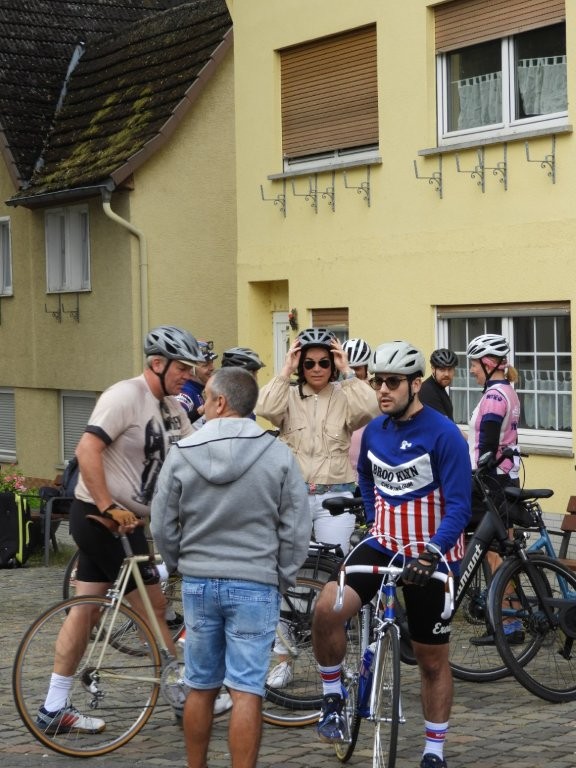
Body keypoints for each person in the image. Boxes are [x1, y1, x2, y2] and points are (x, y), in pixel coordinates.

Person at [36, 325, 204, 734]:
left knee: (86, 611)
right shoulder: (124, 396)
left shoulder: (171, 407)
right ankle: (183, 694)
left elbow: (198, 450)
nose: (189, 375)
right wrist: (109, 505)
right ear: (157, 363)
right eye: (182, 368)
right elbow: (87, 449)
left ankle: (53, 707)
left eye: (191, 369)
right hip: (104, 520)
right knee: (154, 606)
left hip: (127, 523)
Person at [312, 341, 471, 768]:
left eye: (393, 382)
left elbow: (460, 506)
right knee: (326, 608)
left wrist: (432, 552)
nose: (382, 389)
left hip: (431, 555)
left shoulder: (444, 434)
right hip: (383, 544)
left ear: (415, 384)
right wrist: (372, 517)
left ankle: (433, 752)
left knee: (431, 661)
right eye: (378, 381)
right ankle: (332, 698)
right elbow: (365, 476)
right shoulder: (374, 431)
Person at [150, 367, 311, 768]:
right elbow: (296, 527)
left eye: (206, 397)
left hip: (199, 582)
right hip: (256, 581)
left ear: (221, 402)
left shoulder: (183, 452)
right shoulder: (277, 453)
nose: (202, 405)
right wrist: (282, 575)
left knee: (200, 685)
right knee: (247, 690)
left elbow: (162, 524)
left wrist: (179, 563)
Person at [256, 327, 378, 556]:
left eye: (324, 362)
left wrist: (347, 370)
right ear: (301, 366)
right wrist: (286, 370)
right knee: (289, 561)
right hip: (293, 495)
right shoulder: (288, 395)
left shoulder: (345, 394)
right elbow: (264, 408)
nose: (317, 369)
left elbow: (372, 407)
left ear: (332, 365)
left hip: (336, 496)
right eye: (309, 363)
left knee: (333, 561)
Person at [466, 333, 522, 646]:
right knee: (499, 552)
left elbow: (486, 449)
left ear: (488, 363)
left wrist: (473, 479)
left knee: (493, 554)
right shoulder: (508, 392)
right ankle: (509, 621)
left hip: (491, 483)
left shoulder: (493, 397)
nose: (472, 369)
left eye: (475, 363)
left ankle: (507, 623)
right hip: (505, 480)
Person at [342, 337, 377, 474]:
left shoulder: (377, 388)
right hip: (345, 468)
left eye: (357, 368)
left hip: (370, 462)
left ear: (367, 367)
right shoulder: (337, 388)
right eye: (349, 368)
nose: (352, 372)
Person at [176, 340, 218, 428]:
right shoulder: (186, 391)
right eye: (205, 365)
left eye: (212, 363)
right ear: (190, 368)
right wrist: (199, 412)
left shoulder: (198, 389)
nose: (212, 368)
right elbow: (176, 422)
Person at [418, 348, 459, 420]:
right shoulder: (427, 391)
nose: (447, 374)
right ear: (433, 369)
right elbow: (444, 424)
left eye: (450, 369)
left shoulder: (438, 388)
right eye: (442, 369)